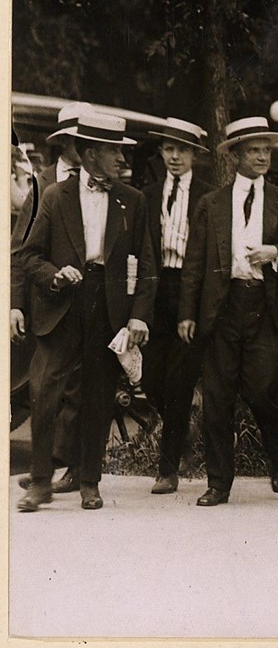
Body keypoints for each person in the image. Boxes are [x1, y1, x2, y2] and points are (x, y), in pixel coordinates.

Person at [15, 112, 157, 512]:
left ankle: (89, 482)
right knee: (44, 391)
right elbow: (28, 256)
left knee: (97, 396)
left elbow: (146, 264)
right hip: (61, 303)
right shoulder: (55, 195)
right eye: (115, 152)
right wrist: (55, 276)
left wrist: (138, 315)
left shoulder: (133, 200)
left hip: (108, 307)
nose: (122, 160)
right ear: (91, 155)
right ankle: (40, 482)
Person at [179, 117, 278, 506]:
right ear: (235, 156)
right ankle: (219, 483)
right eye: (254, 150)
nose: (262, 156)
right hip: (222, 307)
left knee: (261, 390)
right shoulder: (212, 203)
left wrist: (275, 254)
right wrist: (188, 313)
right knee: (217, 399)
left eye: (266, 150)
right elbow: (194, 261)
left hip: (263, 308)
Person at [12, 102, 88, 496]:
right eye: (82, 140)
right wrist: (14, 305)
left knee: (80, 393)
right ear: (65, 143)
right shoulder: (42, 186)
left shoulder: (100, 183)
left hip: (88, 305)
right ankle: (44, 470)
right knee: (44, 389)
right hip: (48, 302)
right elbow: (19, 251)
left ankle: (69, 469)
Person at [139, 118, 210, 494]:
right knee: (150, 379)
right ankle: (182, 437)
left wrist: (197, 303)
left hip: (190, 288)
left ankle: (167, 469)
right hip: (155, 290)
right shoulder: (148, 195)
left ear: (195, 154)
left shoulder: (209, 195)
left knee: (180, 381)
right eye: (169, 149)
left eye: (182, 149)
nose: (175, 156)